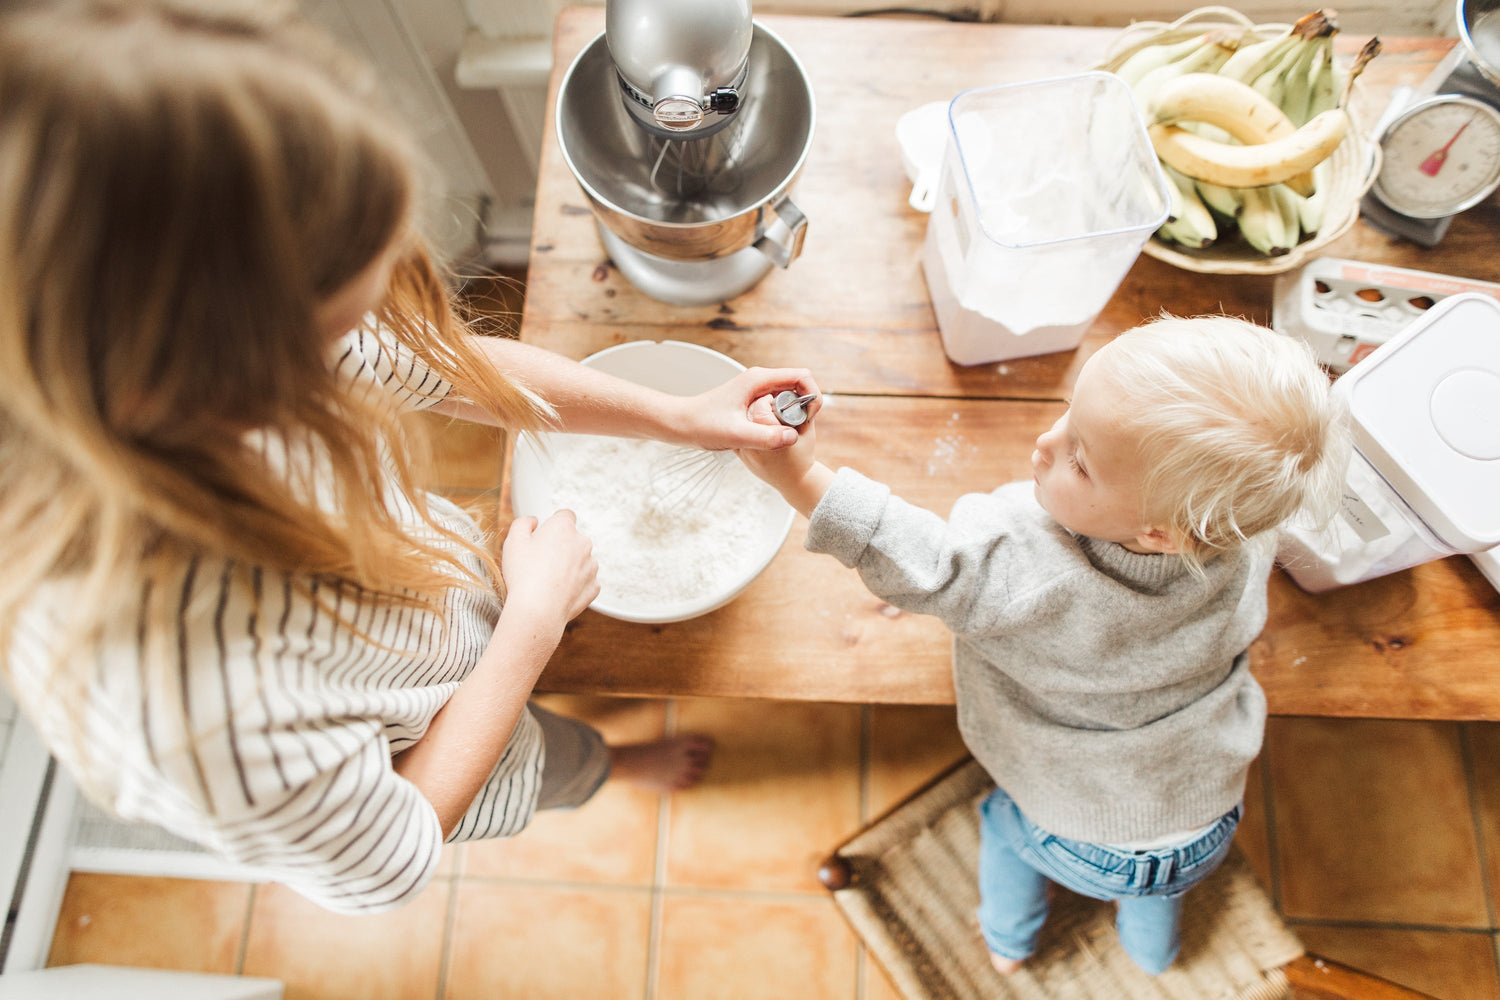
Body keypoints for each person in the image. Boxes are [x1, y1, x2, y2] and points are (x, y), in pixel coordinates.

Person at [0, 1, 817, 915]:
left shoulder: (199, 340)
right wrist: (532, 626)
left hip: (447, 608)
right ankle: (614, 764)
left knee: (555, 694)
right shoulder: (188, 715)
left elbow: (441, 369)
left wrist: (675, 417)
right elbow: (395, 847)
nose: (365, 336)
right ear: (188, 385)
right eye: (341, 322)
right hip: (451, 740)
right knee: (558, 758)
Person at [738, 315, 1349, 975]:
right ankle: (1153, 952)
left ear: (1158, 534)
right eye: (1066, 415)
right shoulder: (1240, 538)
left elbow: (934, 564)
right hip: (1206, 818)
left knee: (1004, 827)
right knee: (1156, 886)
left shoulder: (1028, 567)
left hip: (1079, 837)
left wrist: (794, 474)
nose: (1043, 442)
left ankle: (1008, 941)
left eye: (1080, 461)